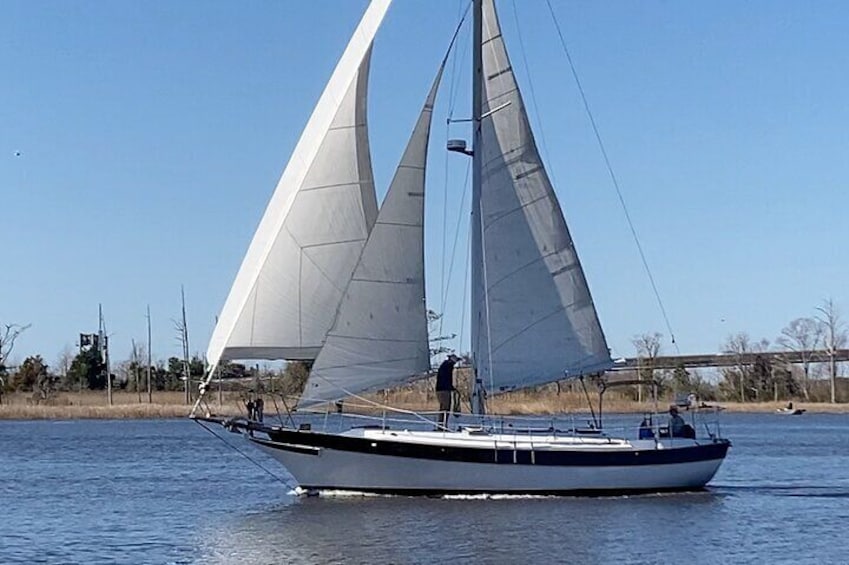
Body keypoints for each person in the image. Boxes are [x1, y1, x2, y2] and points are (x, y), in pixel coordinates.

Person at [436, 354, 459, 429]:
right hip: (444, 390)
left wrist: (451, 388)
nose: (455, 363)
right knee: (445, 408)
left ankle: (441, 425)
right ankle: (442, 426)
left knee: (444, 408)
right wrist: (451, 388)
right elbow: (445, 379)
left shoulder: (445, 365)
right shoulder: (448, 366)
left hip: (441, 389)